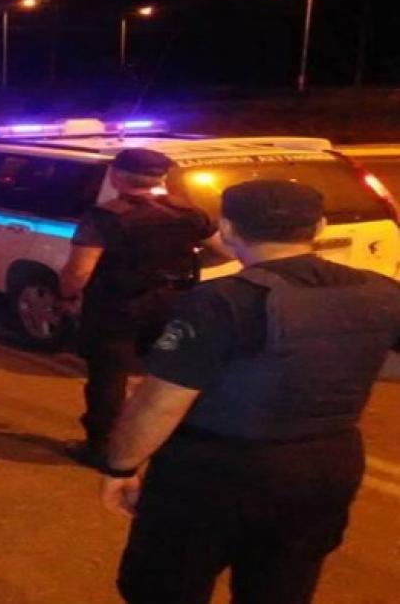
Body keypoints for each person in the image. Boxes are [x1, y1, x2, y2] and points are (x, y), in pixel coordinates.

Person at [100, 180, 400, 603]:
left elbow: (160, 402)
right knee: (280, 589)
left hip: (213, 471)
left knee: (163, 588)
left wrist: (120, 467)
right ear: (319, 227)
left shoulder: (221, 301)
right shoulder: (382, 291)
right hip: (326, 465)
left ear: (227, 229)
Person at [57, 148, 225, 467]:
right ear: (161, 177)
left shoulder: (104, 217)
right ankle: (165, 439)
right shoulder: (188, 212)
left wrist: (67, 297)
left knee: (108, 378)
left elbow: (79, 272)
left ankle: (101, 447)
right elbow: (224, 251)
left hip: (116, 307)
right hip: (172, 303)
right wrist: (179, 267)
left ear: (117, 176)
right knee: (167, 374)